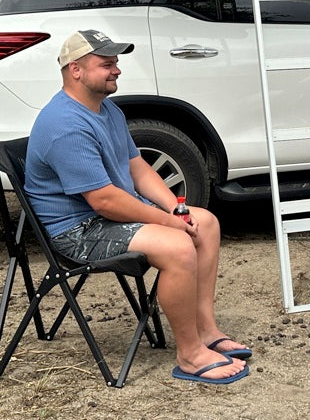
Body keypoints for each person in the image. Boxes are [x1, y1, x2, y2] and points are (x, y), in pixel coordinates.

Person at [25, 29, 251, 384]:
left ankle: (206, 330)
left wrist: (175, 210)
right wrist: (167, 223)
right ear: (76, 70)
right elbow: (103, 200)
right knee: (177, 246)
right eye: (106, 64)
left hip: (105, 218)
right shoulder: (65, 124)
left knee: (203, 222)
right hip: (78, 231)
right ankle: (190, 355)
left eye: (116, 63)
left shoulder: (107, 110)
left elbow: (137, 167)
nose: (116, 70)